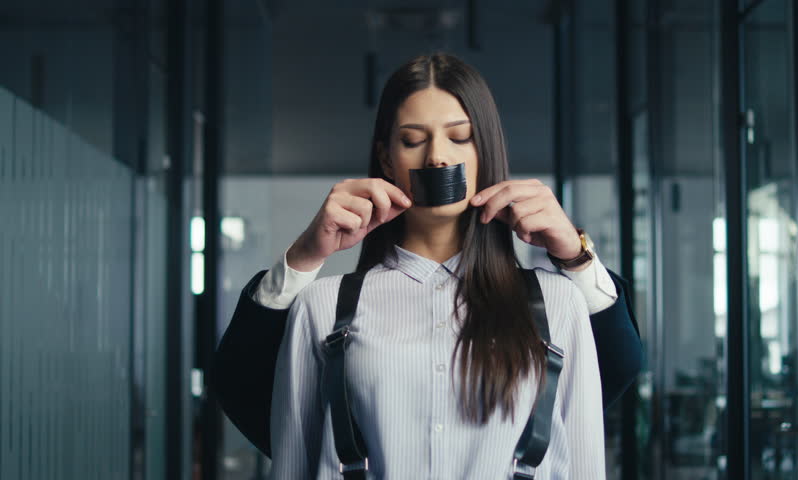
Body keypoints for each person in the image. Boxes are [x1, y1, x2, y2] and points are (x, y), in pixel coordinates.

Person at [213, 53, 642, 479]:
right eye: (413, 140)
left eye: (460, 136)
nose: (437, 157)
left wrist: (576, 256)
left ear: (485, 151)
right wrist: (306, 254)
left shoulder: (557, 301)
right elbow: (273, 433)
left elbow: (590, 445)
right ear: (386, 160)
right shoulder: (323, 306)